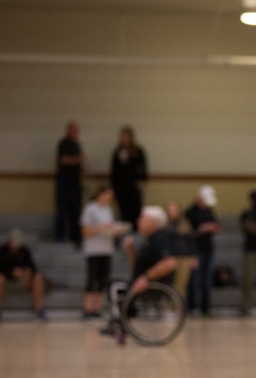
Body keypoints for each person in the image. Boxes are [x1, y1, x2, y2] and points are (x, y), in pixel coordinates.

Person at [80, 186, 125, 319]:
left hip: (106, 249)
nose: (109, 199)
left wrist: (115, 230)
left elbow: (110, 228)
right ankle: (88, 308)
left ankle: (97, 308)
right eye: (107, 195)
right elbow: (85, 231)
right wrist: (101, 228)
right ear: (100, 194)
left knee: (102, 280)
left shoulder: (108, 210)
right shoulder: (90, 208)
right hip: (93, 250)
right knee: (91, 279)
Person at [0, 228, 49, 321]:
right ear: (9, 241)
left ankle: (39, 310)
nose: (16, 247)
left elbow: (33, 268)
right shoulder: (1, 251)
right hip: (7, 282)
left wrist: (25, 272)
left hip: (23, 282)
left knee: (38, 278)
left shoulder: (24, 251)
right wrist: (11, 273)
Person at [122, 205, 178, 295]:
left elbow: (169, 263)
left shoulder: (160, 238)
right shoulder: (148, 240)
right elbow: (137, 266)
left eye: (142, 218)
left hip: (152, 290)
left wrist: (145, 278)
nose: (138, 221)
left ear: (153, 222)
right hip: (137, 288)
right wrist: (130, 250)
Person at [185, 185, 222, 317]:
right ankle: (191, 308)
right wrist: (201, 229)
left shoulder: (209, 211)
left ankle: (205, 309)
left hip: (208, 249)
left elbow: (217, 225)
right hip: (196, 250)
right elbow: (187, 233)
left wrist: (213, 227)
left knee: (207, 280)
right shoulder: (190, 212)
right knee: (194, 281)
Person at [110, 126, 148, 230]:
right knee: (123, 212)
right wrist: (113, 188)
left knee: (136, 211)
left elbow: (143, 167)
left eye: (126, 136)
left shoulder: (138, 151)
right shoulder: (117, 152)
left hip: (134, 187)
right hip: (121, 188)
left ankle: (136, 232)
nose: (124, 138)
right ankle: (125, 233)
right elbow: (114, 171)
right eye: (122, 136)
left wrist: (142, 180)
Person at [54, 120, 85, 247]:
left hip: (75, 181)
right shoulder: (63, 144)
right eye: (73, 130)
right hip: (64, 180)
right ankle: (59, 236)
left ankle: (75, 236)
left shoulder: (76, 144)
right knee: (62, 209)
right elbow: (63, 160)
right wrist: (78, 159)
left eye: (76, 130)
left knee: (75, 210)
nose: (75, 133)